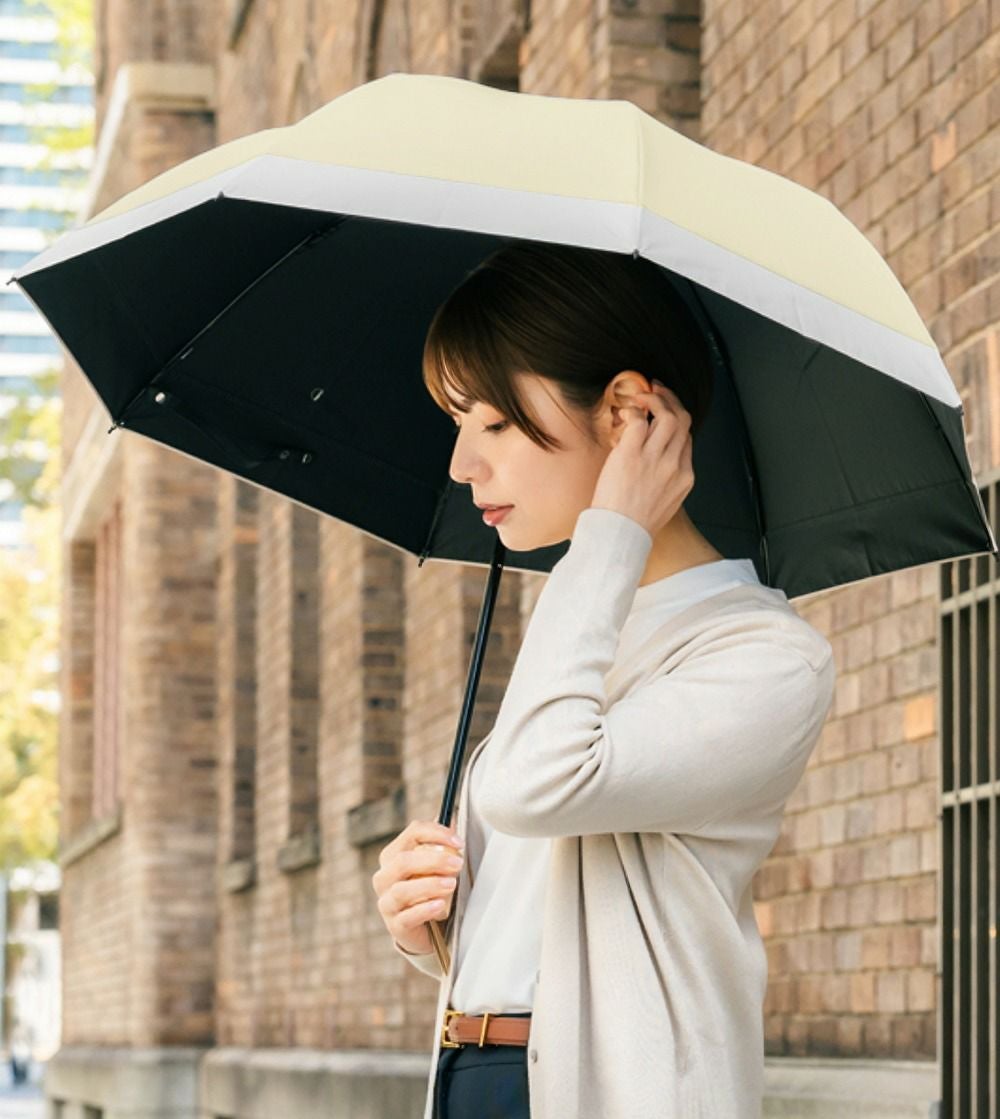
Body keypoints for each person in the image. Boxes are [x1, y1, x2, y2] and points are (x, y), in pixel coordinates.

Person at [371, 241, 836, 1119]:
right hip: (473, 1075)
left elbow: (541, 782)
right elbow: (544, 914)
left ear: (626, 413)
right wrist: (429, 918)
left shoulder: (764, 655)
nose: (462, 464)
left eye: (495, 424)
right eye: (458, 425)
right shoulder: (584, 624)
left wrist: (613, 529)